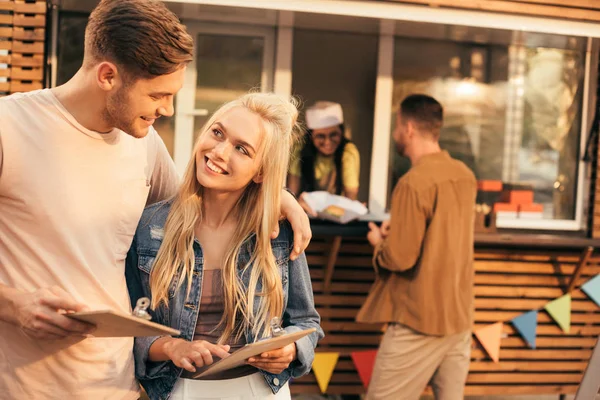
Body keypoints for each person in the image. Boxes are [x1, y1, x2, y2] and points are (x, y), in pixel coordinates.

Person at [0, 1, 311, 399]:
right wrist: (15, 305)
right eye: (158, 95)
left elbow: (203, 200)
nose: (167, 109)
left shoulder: (142, 143)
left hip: (121, 386)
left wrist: (277, 196)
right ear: (108, 76)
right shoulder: (11, 129)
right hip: (26, 386)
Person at [125, 92, 323, 400]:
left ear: (261, 171)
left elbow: (306, 321)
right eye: (217, 133)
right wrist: (171, 347)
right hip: (179, 390)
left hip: (261, 391)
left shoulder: (276, 232)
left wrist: (291, 348)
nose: (218, 151)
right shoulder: (151, 226)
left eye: (242, 149)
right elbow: (132, 324)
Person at [356, 94, 476, 400]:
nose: (395, 133)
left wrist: (379, 244)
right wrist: (399, 227)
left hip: (419, 320)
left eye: (397, 126)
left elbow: (400, 257)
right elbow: (443, 235)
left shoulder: (413, 182)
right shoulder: (464, 176)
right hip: (459, 319)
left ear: (408, 128)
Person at [287, 101, 360, 214]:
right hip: (304, 215)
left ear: (341, 132)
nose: (327, 142)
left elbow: (350, 198)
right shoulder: (299, 149)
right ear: (311, 136)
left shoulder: (348, 152)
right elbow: (291, 195)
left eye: (333, 135)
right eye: (321, 136)